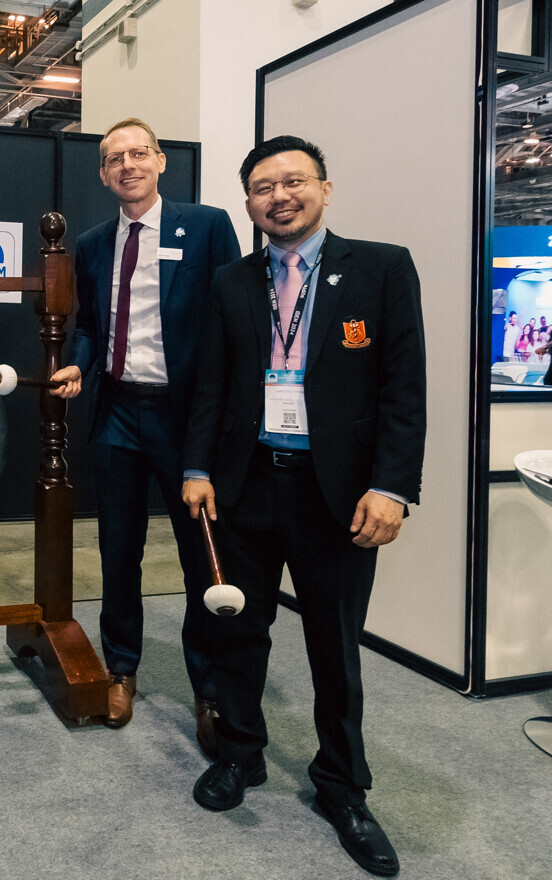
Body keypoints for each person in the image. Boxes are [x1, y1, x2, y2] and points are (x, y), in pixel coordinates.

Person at [182, 135, 425, 878]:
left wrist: (392, 488)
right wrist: (196, 466)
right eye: (262, 187)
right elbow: (212, 383)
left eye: (293, 181)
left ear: (325, 188)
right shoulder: (231, 280)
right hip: (247, 482)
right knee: (238, 634)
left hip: (339, 494)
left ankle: (343, 787)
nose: (278, 196)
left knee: (334, 644)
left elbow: (402, 390)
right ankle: (241, 755)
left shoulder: (381, 268)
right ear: (248, 201)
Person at [50, 117, 240, 751]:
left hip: (187, 420)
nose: (126, 165)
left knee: (200, 560)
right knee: (118, 552)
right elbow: (89, 323)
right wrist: (78, 358)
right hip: (118, 415)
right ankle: (121, 669)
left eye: (137, 153)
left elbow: (231, 321)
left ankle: (209, 691)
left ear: (160, 162)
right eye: (112, 159)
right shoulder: (96, 242)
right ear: (103, 174)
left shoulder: (208, 226)